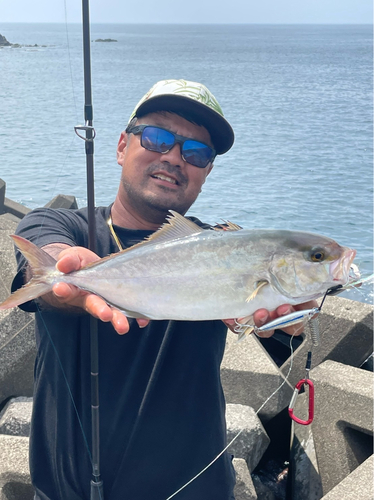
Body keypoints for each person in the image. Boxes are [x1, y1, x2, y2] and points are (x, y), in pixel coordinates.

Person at [12, 79, 316, 500]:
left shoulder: (225, 248)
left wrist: (288, 323)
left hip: (197, 489)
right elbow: (43, 260)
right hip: (67, 490)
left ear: (206, 173)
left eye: (196, 153)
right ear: (122, 146)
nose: (174, 158)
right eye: (157, 138)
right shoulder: (66, 226)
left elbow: (269, 332)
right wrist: (67, 276)